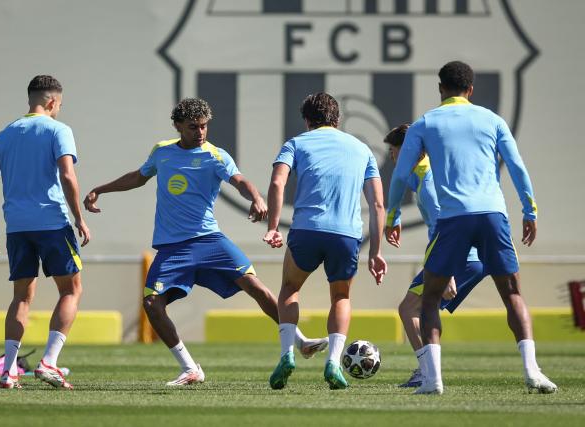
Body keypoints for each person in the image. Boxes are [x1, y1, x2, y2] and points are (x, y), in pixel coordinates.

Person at [83, 98, 326, 386]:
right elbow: (139, 177)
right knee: (151, 303)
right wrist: (101, 189)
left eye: (204, 126)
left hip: (210, 240)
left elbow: (240, 181)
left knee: (255, 285)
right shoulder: (162, 152)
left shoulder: (216, 156)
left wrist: (257, 198)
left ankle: (298, 341)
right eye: (193, 127)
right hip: (173, 247)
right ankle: (190, 368)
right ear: (178, 126)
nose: (200, 132)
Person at [386, 61, 557, 395]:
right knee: (512, 295)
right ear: (471, 90)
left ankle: (433, 380)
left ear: (440, 88)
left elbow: (400, 174)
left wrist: (392, 216)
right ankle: (532, 371)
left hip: (454, 219)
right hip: (493, 214)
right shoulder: (492, 120)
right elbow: (517, 167)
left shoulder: (426, 123)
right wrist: (529, 209)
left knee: (430, 300)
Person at [264, 92, 387, 390]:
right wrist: (376, 252)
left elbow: (278, 182)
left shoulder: (296, 143)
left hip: (307, 229)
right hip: (346, 234)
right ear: (338, 119)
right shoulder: (362, 148)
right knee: (341, 297)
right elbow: (378, 204)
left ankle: (286, 354)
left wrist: (273, 226)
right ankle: (333, 361)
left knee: (290, 290)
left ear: (307, 120)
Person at [0, 75, 90, 390]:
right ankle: (49, 362)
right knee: (71, 290)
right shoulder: (58, 130)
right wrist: (79, 218)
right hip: (52, 223)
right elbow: (67, 175)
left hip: (17, 228)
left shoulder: (4, 135)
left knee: (21, 298)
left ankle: (8, 372)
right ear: (53, 101)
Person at [383, 124, 487, 388]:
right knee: (418, 309)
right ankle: (428, 371)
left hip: (459, 257)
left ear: (411, 152)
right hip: (464, 257)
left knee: (408, 309)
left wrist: (448, 270)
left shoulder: (427, 180)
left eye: (395, 151)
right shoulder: (424, 175)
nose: (392, 157)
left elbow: (447, 228)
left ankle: (426, 372)